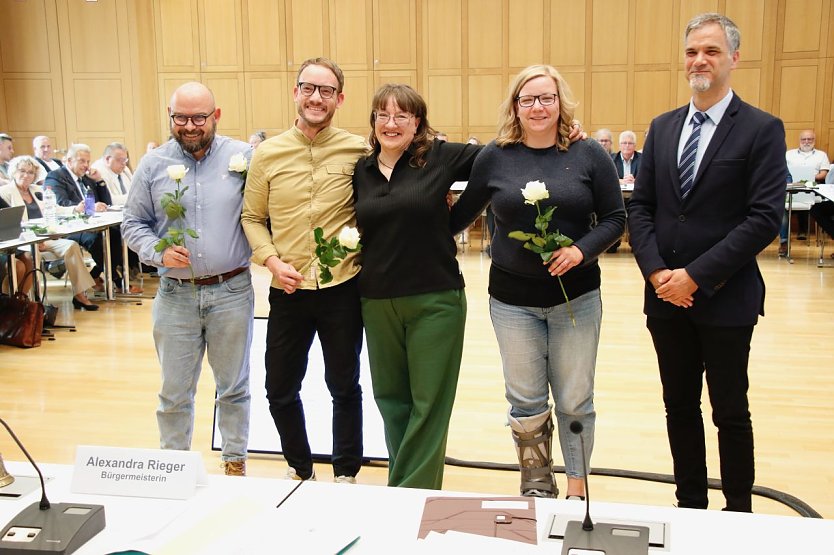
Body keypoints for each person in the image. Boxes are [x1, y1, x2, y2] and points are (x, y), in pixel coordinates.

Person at [628, 13, 785, 512]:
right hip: (665, 297)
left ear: (734, 59)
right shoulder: (663, 126)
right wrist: (657, 273)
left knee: (730, 411)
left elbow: (763, 219)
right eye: (693, 51)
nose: (700, 60)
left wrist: (695, 276)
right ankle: (690, 503)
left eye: (712, 51)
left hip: (726, 297)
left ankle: (738, 508)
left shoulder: (761, 129)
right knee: (679, 408)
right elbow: (641, 206)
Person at [450, 65, 625, 500]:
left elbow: (616, 218)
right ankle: (536, 482)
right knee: (525, 399)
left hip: (577, 298)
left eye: (546, 98)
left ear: (561, 101)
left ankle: (578, 487)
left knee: (574, 399)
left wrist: (580, 250)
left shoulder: (589, 155)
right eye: (527, 99)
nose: (538, 107)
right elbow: (459, 215)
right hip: (512, 302)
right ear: (515, 106)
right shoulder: (495, 155)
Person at [241, 57, 365, 484]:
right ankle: (301, 468)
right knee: (279, 387)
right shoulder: (268, 154)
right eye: (308, 88)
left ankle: (346, 473)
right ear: (295, 93)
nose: (316, 97)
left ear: (339, 99)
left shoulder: (358, 149)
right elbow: (252, 218)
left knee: (344, 386)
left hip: (342, 287)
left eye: (326, 90)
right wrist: (272, 262)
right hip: (287, 290)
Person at [122, 82, 254, 477]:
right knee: (174, 393)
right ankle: (172, 469)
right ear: (170, 115)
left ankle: (234, 464)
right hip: (175, 294)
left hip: (231, 291)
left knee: (234, 387)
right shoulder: (152, 165)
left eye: (199, 117)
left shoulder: (242, 157)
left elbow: (264, 214)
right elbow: (132, 223)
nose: (190, 126)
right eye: (181, 117)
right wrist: (157, 250)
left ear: (216, 115)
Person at [352, 84, 481, 489]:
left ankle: (409, 498)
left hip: (434, 298)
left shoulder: (439, 157)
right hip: (376, 300)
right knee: (391, 401)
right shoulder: (361, 169)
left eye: (401, 116)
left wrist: (454, 219)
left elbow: (500, 159)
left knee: (428, 406)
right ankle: (404, 485)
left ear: (417, 122)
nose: (391, 124)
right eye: (382, 115)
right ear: (373, 121)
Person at [0, 156, 98, 309]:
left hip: (45, 236)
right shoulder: (5, 192)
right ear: (13, 172)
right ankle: (21, 302)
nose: (26, 175)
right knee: (30, 257)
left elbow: (55, 209)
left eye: (30, 172)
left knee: (71, 245)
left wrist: (75, 209)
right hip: (23, 241)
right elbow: (10, 223)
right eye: (22, 171)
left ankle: (79, 294)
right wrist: (33, 240)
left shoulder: (38, 190)